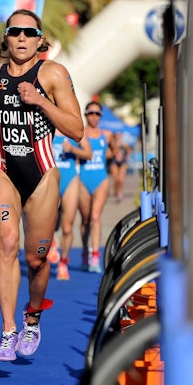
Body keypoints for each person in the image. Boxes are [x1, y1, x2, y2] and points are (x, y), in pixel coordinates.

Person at [0, 9, 84, 361]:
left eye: (29, 32)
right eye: (15, 31)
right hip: (3, 169)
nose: (22, 37)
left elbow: (76, 129)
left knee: (36, 260)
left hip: (42, 174)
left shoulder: (53, 73)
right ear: (5, 38)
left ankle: (32, 317)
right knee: (7, 242)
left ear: (40, 40)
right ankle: (8, 331)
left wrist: (39, 101)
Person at [51, 130, 91, 280]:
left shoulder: (73, 128)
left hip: (70, 179)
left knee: (67, 227)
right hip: (51, 178)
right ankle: (51, 241)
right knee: (50, 222)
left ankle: (63, 262)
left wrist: (73, 149)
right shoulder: (47, 126)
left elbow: (89, 153)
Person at [78, 101, 113, 273]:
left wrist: (116, 152)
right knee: (85, 220)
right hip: (84, 179)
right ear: (85, 115)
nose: (93, 116)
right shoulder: (79, 133)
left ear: (100, 116)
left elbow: (113, 152)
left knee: (95, 217)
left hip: (101, 179)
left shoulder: (107, 134)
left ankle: (95, 256)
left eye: (97, 113)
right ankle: (85, 252)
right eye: (90, 113)